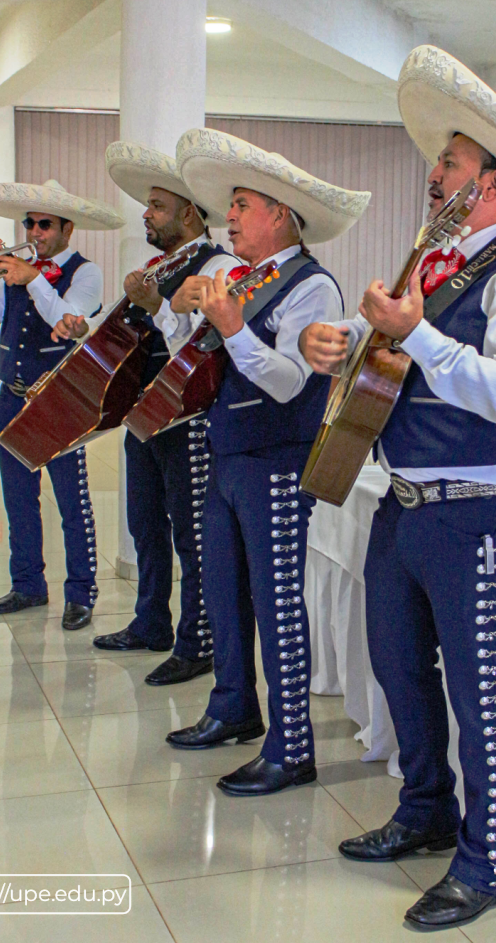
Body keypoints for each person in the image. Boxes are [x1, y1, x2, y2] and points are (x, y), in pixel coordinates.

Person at [299, 45, 496, 930]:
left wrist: (419, 338)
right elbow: (390, 376)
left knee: (481, 695)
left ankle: (487, 866)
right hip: (404, 506)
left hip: (481, 512)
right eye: (439, 161)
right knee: (399, 669)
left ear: (495, 184)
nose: (434, 174)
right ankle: (426, 809)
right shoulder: (430, 271)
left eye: (452, 163)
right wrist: (333, 348)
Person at [164, 128, 370, 795]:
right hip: (228, 453)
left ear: (280, 214)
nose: (231, 216)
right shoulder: (244, 279)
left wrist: (231, 329)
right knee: (223, 589)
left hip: (277, 461)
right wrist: (186, 307)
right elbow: (186, 347)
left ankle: (292, 747)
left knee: (278, 601)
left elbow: (286, 381)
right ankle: (232, 706)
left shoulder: (315, 289)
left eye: (243, 205)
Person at [52, 141, 240, 684]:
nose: (146, 213)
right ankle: (151, 622)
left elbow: (205, 342)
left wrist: (157, 305)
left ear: (187, 212)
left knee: (192, 530)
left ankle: (196, 641)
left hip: (188, 419)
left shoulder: (220, 265)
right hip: (145, 415)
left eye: (157, 206)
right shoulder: (161, 265)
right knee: (143, 523)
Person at [0, 179, 124, 630]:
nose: (34, 231)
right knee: (18, 496)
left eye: (44, 224)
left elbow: (68, 322)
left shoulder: (87, 272)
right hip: (11, 394)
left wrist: (34, 279)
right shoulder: (14, 266)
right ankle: (27, 585)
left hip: (59, 399)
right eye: (29, 223)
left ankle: (80, 591)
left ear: (67, 229)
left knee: (71, 498)